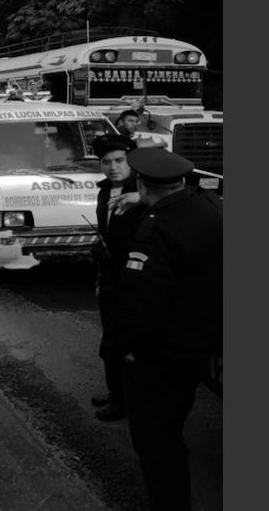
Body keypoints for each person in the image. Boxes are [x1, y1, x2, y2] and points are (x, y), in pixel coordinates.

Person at [110, 147, 223, 511]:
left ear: (142, 183)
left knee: (157, 440)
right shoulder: (208, 207)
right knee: (173, 424)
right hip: (199, 343)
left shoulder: (155, 228)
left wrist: (126, 348)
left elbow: (141, 300)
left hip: (159, 356)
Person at [89, 134, 144, 422]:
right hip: (109, 276)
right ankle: (116, 392)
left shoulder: (145, 189)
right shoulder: (104, 190)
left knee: (124, 343)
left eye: (119, 161)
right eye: (106, 162)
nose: (112, 167)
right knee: (110, 338)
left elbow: (186, 193)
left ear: (131, 160)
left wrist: (142, 197)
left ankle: (124, 402)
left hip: (135, 281)